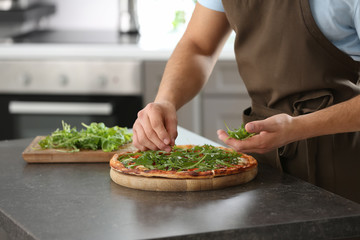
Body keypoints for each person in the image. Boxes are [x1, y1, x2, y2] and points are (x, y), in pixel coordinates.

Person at [132, 0, 360, 203]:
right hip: (262, 162)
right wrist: (165, 101)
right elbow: (198, 45)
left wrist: (298, 127)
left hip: (341, 164)